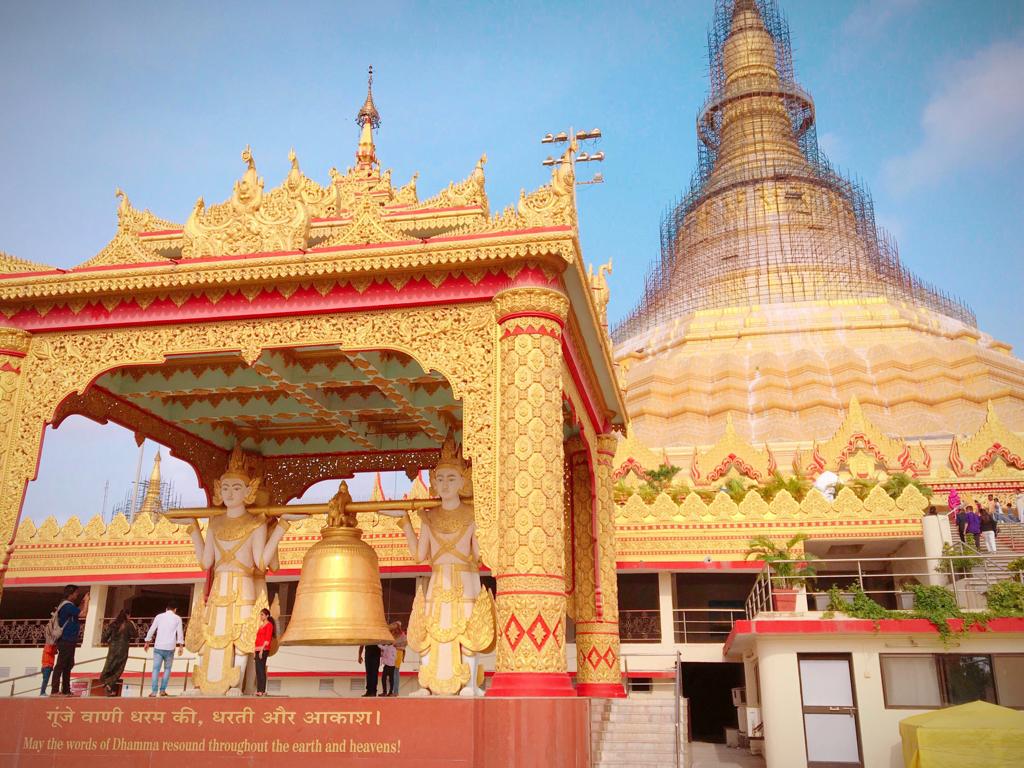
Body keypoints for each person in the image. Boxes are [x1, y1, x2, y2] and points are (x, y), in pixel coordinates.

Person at [186, 447, 298, 695]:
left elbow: (261, 562)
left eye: (237, 488)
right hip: (219, 587)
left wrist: (281, 529)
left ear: (249, 492)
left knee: (242, 638)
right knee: (212, 635)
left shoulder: (256, 523)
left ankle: (236, 684)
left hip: (245, 586)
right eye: (225, 488)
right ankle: (206, 682)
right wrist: (193, 528)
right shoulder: (214, 522)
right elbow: (206, 563)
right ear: (218, 490)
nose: (230, 493)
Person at [51, 585, 89, 696]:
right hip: (66, 639)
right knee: (61, 664)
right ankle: (54, 690)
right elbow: (83, 614)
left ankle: (66, 689)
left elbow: (77, 611)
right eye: (76, 593)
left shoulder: (69, 606)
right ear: (71, 593)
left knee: (68, 664)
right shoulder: (67, 605)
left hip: (70, 639)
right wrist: (86, 602)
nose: (77, 595)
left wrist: (82, 603)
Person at [144, 604, 183, 697]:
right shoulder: (178, 618)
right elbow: (180, 632)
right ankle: (162, 690)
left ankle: (154, 691)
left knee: (155, 669)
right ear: (175, 609)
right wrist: (181, 646)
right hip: (170, 648)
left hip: (158, 646)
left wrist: (147, 642)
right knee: (167, 669)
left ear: (166, 609)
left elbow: (152, 629)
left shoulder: (159, 616)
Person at [98, 608, 138, 696]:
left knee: (110, 665)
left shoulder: (113, 624)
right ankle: (108, 683)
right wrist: (133, 624)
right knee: (119, 668)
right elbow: (135, 635)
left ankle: (106, 683)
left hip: (112, 649)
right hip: (123, 649)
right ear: (127, 615)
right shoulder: (129, 624)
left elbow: (104, 637)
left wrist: (108, 642)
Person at [253, 608, 275, 697]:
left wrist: (262, 650)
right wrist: (255, 650)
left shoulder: (269, 625)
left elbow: (267, 638)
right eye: (260, 614)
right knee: (257, 670)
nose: (261, 616)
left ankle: (262, 690)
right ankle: (259, 690)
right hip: (257, 649)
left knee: (261, 669)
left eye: (262, 614)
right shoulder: (261, 626)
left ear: (267, 616)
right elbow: (257, 639)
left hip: (264, 649)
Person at [390, 621, 407, 697]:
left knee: (395, 673)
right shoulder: (393, 635)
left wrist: (395, 645)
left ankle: (395, 692)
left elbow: (404, 645)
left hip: (398, 653)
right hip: (392, 654)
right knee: (392, 673)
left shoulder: (402, 635)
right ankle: (393, 691)